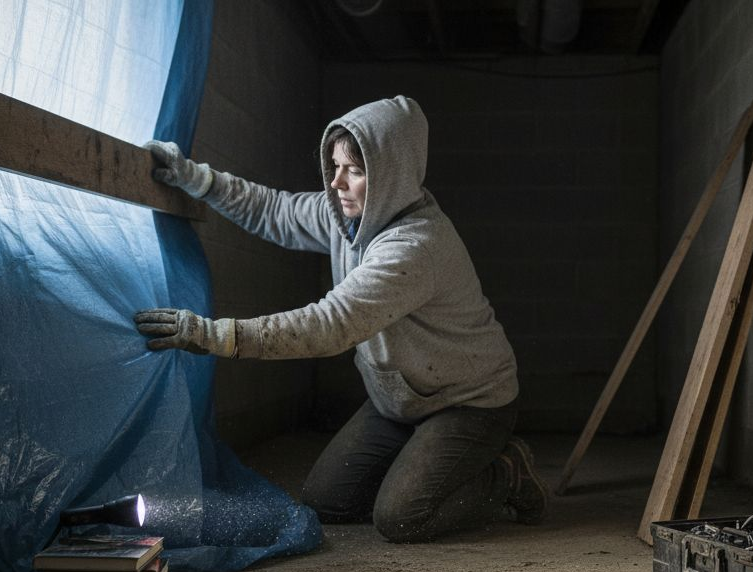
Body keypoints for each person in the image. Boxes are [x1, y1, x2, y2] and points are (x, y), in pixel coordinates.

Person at [138, 95, 545, 543]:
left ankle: (508, 472)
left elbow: (330, 325)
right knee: (328, 502)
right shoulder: (347, 216)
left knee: (402, 517)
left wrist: (215, 335)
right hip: (401, 401)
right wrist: (197, 179)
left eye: (354, 170)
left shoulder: (415, 245)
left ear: (391, 173)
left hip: (469, 402)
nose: (336, 183)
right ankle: (425, 462)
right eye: (334, 166)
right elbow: (274, 211)